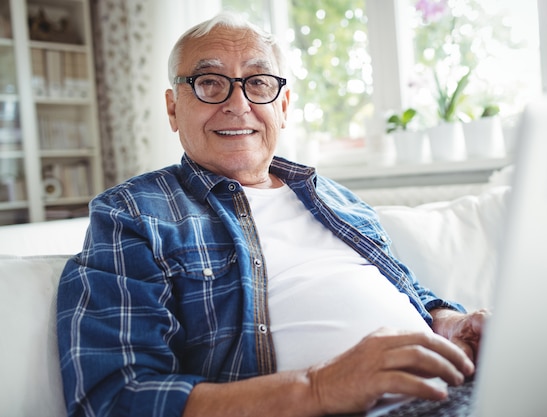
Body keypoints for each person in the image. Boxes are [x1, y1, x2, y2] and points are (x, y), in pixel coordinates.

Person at [56, 11, 488, 417]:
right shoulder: (131, 213)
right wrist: (317, 388)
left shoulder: (335, 198)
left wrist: (448, 323)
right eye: (209, 82)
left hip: (456, 393)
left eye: (258, 83)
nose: (238, 104)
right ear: (173, 108)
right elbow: (113, 396)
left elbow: (407, 288)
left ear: (282, 106)